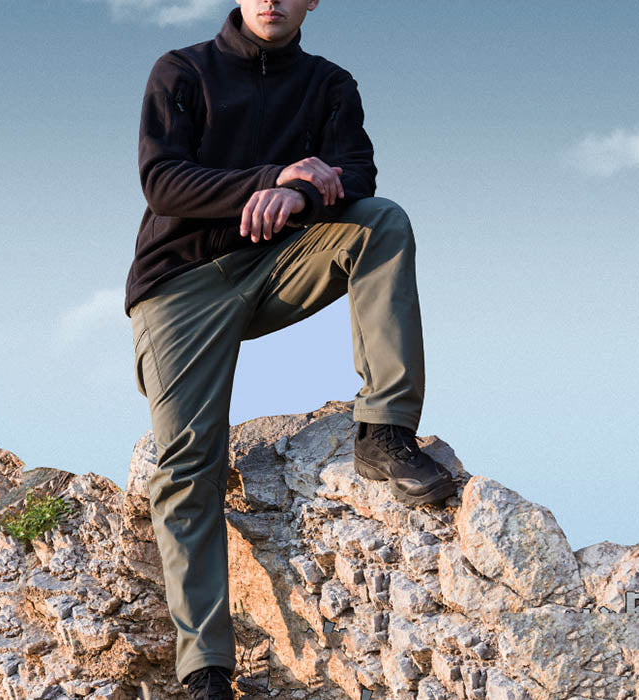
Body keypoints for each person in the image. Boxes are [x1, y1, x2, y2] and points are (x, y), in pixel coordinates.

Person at [125, 1, 457, 697]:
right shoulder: (181, 71)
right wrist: (270, 178)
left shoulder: (329, 84)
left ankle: (384, 431)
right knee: (187, 466)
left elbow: (357, 175)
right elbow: (163, 181)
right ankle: (206, 670)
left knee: (381, 223)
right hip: (179, 286)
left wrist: (301, 196)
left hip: (278, 264)